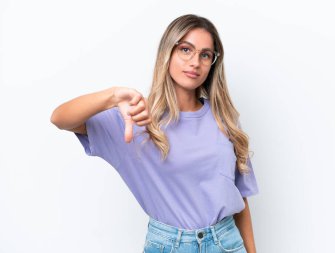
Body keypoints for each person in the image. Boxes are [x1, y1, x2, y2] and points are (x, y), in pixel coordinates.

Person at [51, 14, 259, 253]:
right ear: (167, 53)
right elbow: (60, 118)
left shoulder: (225, 119)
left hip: (227, 242)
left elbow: (240, 198)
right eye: (185, 50)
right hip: (170, 246)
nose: (195, 62)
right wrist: (112, 96)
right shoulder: (137, 118)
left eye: (205, 55)